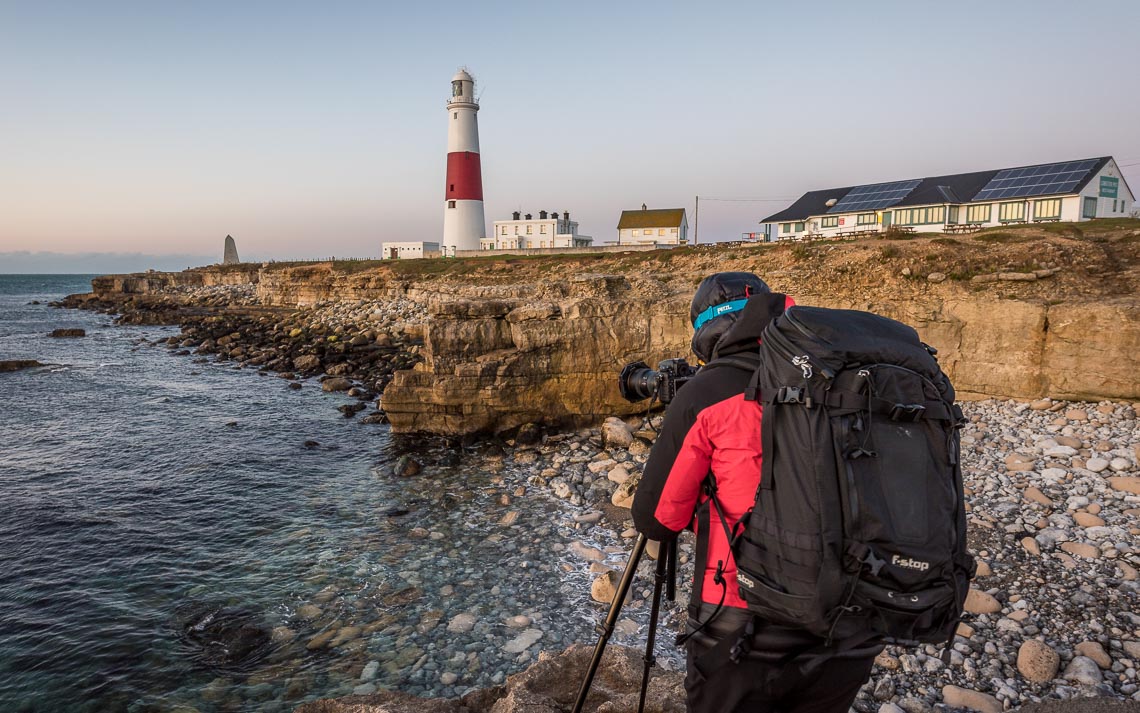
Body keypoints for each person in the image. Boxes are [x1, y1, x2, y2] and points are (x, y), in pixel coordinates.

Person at [631, 272, 881, 713]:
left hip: (745, 624)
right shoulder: (845, 378)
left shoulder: (706, 394)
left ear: (709, 331)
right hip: (852, 615)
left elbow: (656, 521)